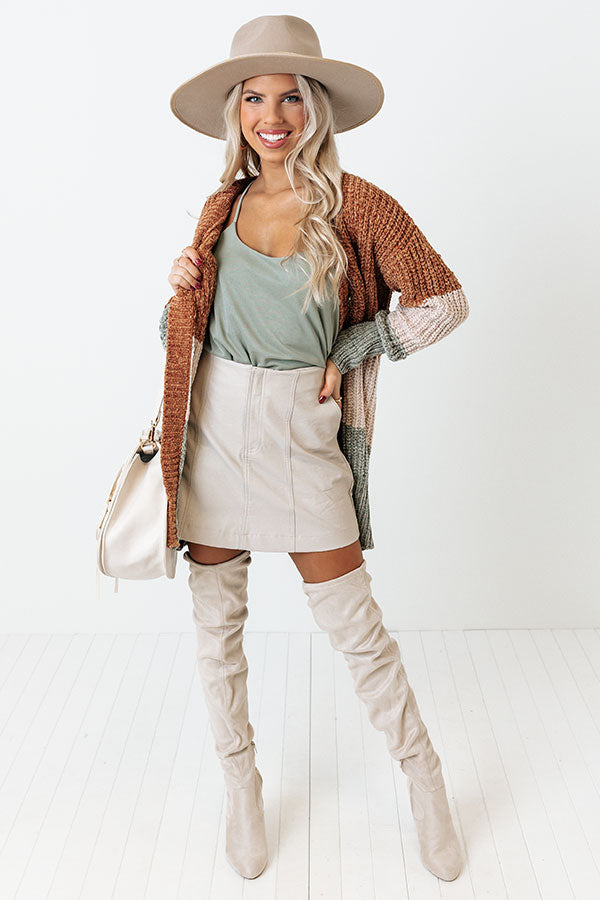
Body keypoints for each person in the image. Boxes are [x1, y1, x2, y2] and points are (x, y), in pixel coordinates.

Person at [161, 14, 469, 884]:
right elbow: (185, 336)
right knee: (216, 630)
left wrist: (364, 341)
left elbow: (444, 301)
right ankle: (241, 787)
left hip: (302, 434)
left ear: (316, 107)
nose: (273, 116)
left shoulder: (357, 204)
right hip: (214, 430)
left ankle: (424, 779)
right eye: (255, 98)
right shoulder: (220, 207)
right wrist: (176, 292)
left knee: (357, 631)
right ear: (237, 112)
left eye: (290, 97)